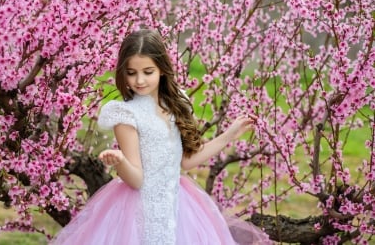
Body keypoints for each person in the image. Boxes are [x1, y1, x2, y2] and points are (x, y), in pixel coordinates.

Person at [51, 29, 271, 245]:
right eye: (131, 72)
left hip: (177, 203)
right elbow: (137, 180)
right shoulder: (126, 115)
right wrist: (120, 161)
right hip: (139, 209)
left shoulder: (177, 104)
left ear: (162, 69)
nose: (139, 80)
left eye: (148, 72)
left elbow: (186, 161)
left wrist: (228, 136)